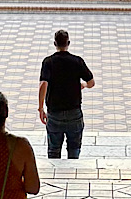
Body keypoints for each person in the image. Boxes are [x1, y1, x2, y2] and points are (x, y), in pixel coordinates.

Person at [38, 28, 94, 160]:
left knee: (53, 151)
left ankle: (54, 171)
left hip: (54, 113)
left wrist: (41, 108)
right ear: (68, 43)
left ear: (54, 44)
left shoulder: (48, 62)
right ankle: (72, 170)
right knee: (74, 150)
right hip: (74, 112)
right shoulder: (77, 61)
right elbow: (91, 82)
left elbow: (43, 84)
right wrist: (83, 85)